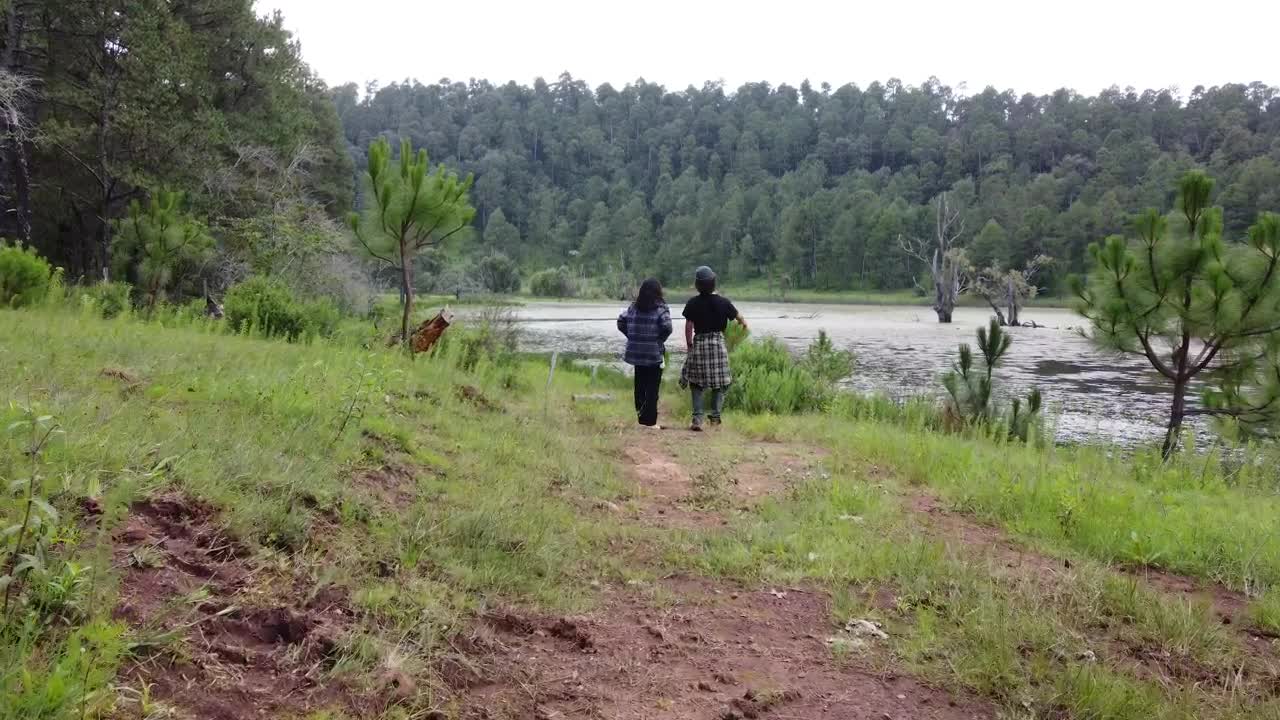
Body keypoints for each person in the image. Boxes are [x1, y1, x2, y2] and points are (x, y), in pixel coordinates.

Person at [680, 266, 747, 431]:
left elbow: (688, 326)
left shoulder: (692, 303)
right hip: (717, 344)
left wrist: (689, 345)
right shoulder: (724, 302)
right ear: (713, 283)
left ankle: (697, 419)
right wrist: (742, 329)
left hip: (699, 344)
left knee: (696, 383)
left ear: (697, 285)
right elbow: (740, 319)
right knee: (721, 383)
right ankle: (715, 418)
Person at [617, 278, 672, 428]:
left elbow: (621, 322)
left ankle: (641, 418)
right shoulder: (661, 309)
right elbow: (667, 327)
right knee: (652, 388)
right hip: (654, 354)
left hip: (636, 353)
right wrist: (659, 340)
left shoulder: (633, 307)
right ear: (658, 292)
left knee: (639, 386)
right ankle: (650, 422)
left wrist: (632, 336)